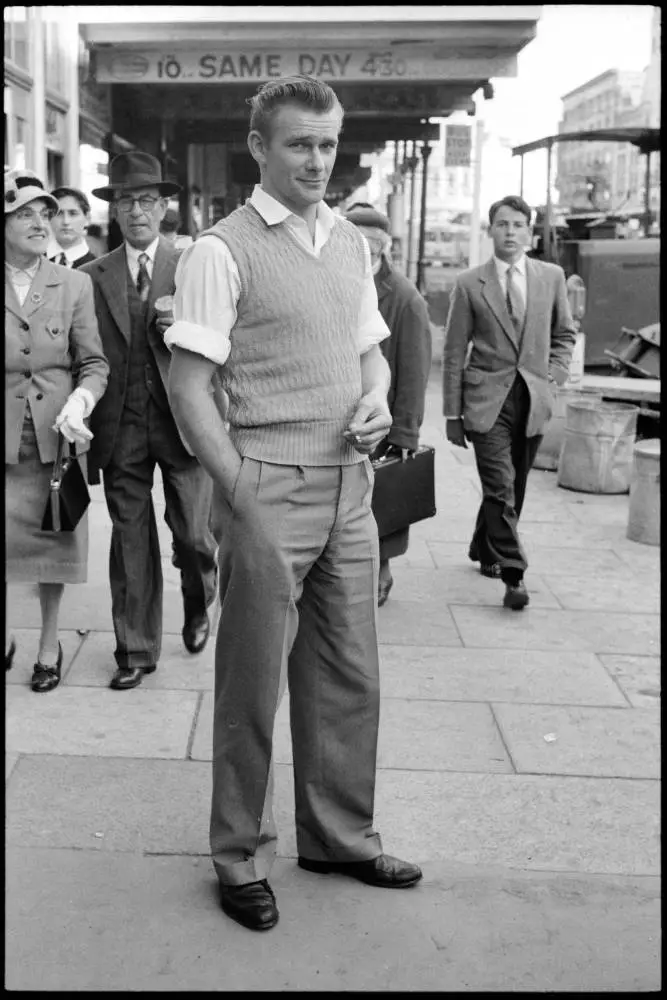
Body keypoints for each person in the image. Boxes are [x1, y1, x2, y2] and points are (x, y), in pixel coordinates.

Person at [166, 75, 423, 932]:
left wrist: (379, 397)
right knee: (251, 686)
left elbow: (370, 355)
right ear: (259, 148)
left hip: (350, 486)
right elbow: (189, 384)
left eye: (327, 143)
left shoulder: (348, 240)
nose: (318, 160)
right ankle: (239, 855)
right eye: (299, 144)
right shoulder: (221, 249)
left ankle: (338, 837)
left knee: (349, 673)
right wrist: (237, 486)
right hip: (266, 483)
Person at [79, 151, 218, 691]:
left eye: (146, 200)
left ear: (164, 208)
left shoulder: (193, 266)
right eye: (125, 201)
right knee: (130, 538)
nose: (136, 211)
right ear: (114, 212)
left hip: (184, 422)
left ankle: (200, 592)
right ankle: (135, 648)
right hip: (121, 426)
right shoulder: (91, 277)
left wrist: (178, 327)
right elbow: (82, 351)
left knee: (192, 533)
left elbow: (221, 343)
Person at [442, 194, 576, 610]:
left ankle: (484, 547)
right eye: (502, 224)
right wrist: (452, 413)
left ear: (530, 233)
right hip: (486, 400)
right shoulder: (469, 284)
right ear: (490, 231)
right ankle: (513, 573)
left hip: (533, 398)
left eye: (518, 224)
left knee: (512, 486)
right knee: (500, 487)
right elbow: (453, 351)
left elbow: (565, 334)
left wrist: (554, 375)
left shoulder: (551, 277)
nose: (510, 232)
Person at [5, 168, 109, 689]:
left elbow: (94, 362)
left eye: (44, 213)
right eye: (25, 213)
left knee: (52, 544)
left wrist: (82, 399)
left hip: (53, 436)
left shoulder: (74, 285)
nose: (40, 222)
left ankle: (49, 644)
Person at [345, 203, 432, 606]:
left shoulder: (406, 298)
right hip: (341, 414)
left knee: (384, 501)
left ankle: (381, 571)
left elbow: (415, 371)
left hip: (383, 415)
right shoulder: (338, 279)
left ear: (380, 248)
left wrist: (405, 431)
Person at [47, 186, 98, 269]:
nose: (66, 221)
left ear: (87, 218)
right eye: (59, 213)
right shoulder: (32, 261)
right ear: (49, 218)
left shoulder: (98, 269)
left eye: (73, 213)